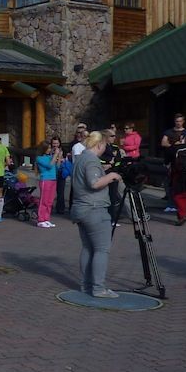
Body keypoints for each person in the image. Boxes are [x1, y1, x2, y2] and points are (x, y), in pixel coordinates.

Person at [71, 131, 124, 298]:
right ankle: (98, 288)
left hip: (81, 208)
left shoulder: (80, 158)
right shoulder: (91, 160)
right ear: (99, 144)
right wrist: (111, 176)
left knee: (88, 248)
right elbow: (94, 183)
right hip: (94, 208)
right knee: (101, 249)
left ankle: (86, 285)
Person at [100, 125, 125, 227]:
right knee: (103, 197)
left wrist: (114, 165)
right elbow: (99, 159)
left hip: (113, 174)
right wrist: (107, 162)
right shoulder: (102, 147)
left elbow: (119, 160)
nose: (114, 138)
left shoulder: (115, 147)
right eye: (112, 136)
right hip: (104, 174)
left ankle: (112, 219)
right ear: (106, 137)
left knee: (113, 197)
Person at [161, 113, 186, 213]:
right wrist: (174, 144)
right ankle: (170, 204)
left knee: (180, 184)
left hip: (182, 163)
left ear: (183, 122)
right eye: (177, 121)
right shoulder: (169, 132)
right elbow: (163, 143)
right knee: (169, 183)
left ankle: (180, 205)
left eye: (180, 121)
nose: (178, 123)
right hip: (169, 161)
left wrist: (179, 144)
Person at [34, 139, 61, 228]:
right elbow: (49, 166)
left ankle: (46, 219)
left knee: (50, 201)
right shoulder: (39, 158)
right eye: (48, 148)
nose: (50, 149)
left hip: (53, 179)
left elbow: (57, 166)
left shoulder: (50, 157)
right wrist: (55, 155)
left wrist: (59, 157)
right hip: (45, 180)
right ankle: (41, 220)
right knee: (44, 201)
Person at [170, 131, 186, 225]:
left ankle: (183, 215)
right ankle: (182, 215)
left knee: (178, 195)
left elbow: (168, 161)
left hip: (179, 175)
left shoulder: (175, 148)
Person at [51, 136, 68, 215]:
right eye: (54, 143)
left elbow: (65, 160)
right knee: (51, 192)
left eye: (57, 143)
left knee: (61, 191)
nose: (55, 145)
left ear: (59, 143)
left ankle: (60, 209)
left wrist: (61, 159)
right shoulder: (49, 150)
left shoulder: (62, 150)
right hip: (52, 172)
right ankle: (49, 208)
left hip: (61, 172)